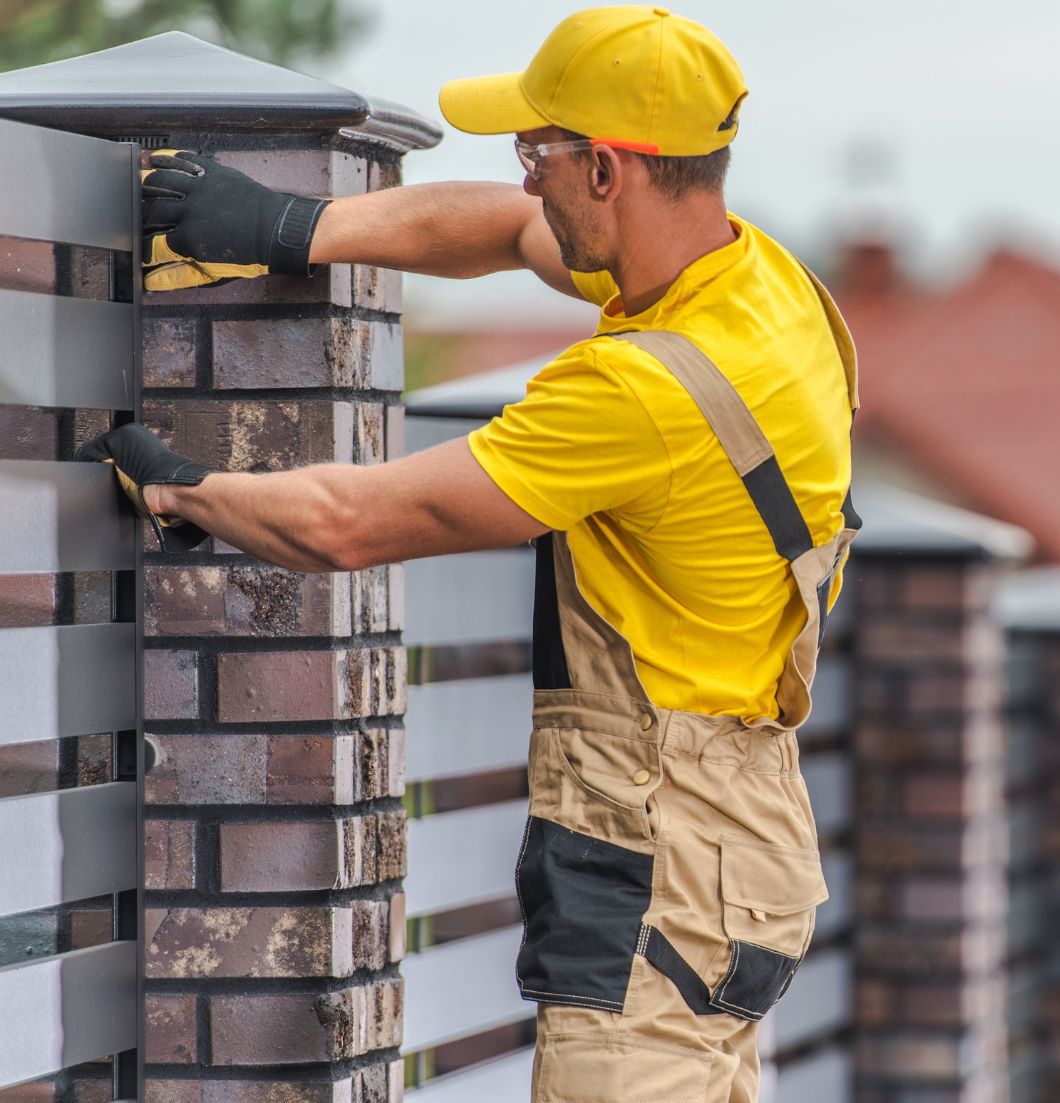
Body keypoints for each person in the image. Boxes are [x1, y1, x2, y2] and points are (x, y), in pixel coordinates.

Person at [82, 8, 857, 1100]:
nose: (525, 176)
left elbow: (355, 520)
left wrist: (180, 486)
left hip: (656, 854)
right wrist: (297, 224)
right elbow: (505, 231)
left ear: (607, 170)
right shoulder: (759, 287)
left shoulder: (640, 391)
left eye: (537, 153)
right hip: (741, 843)